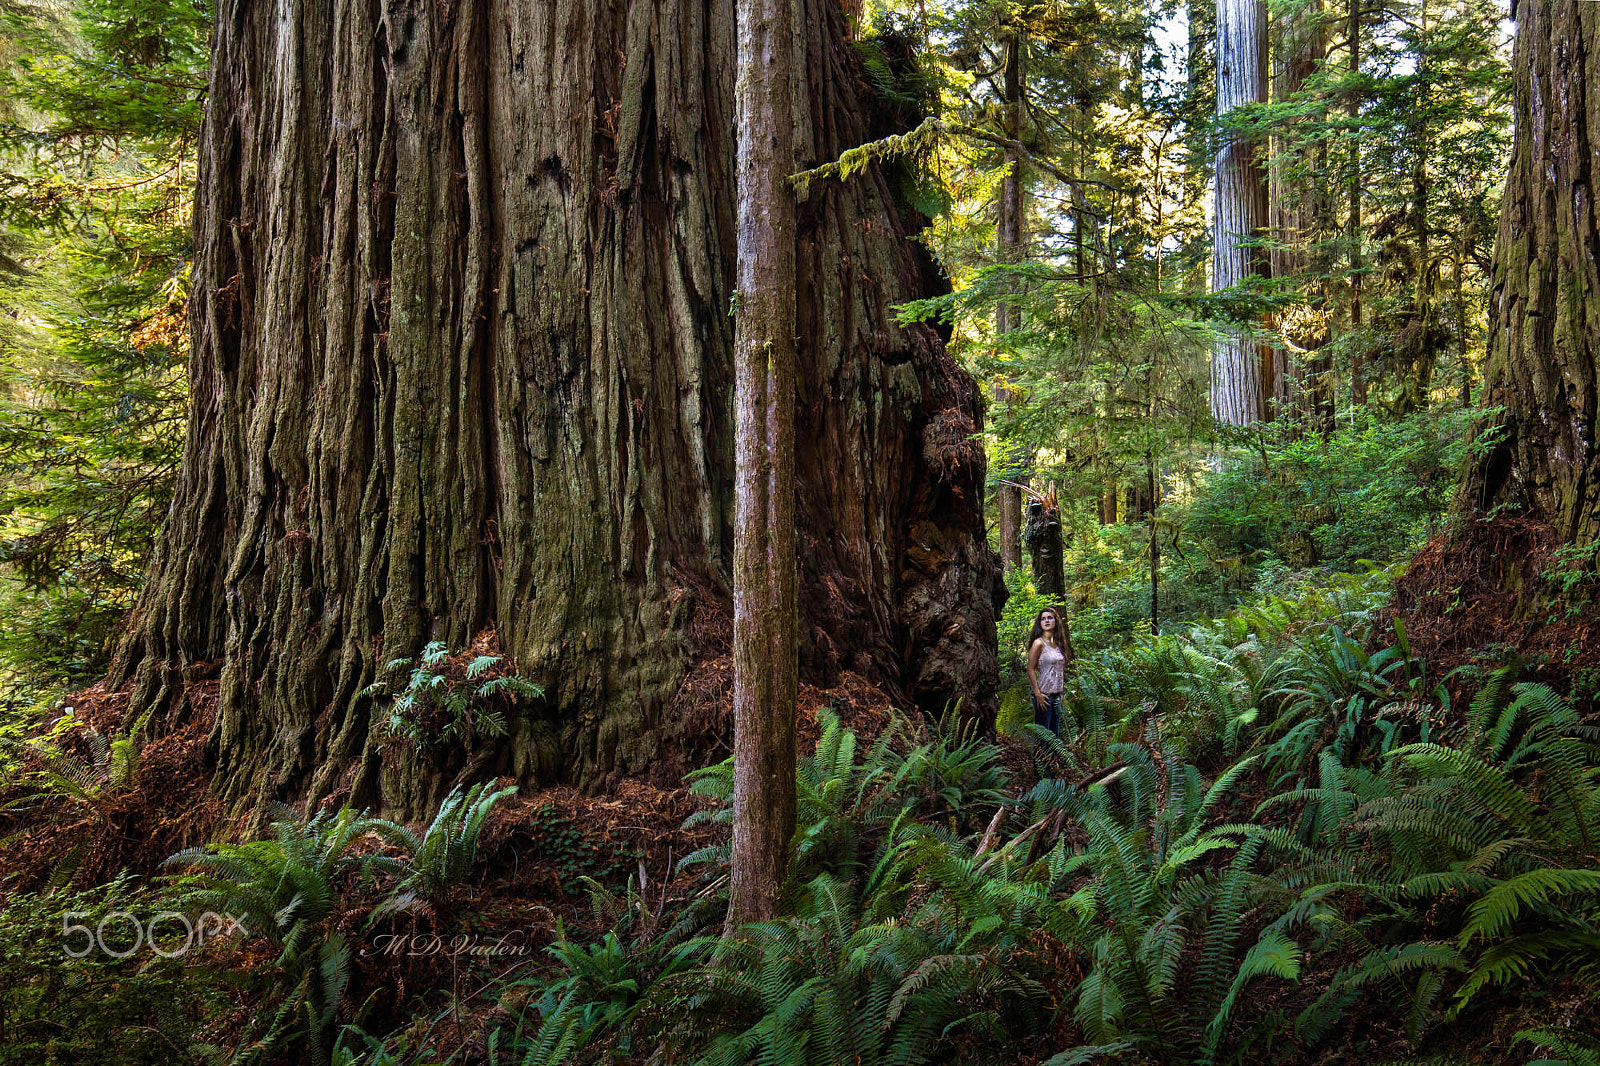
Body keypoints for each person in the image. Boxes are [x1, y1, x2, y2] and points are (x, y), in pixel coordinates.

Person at [1026, 606, 1072, 737]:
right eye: (1043, 619)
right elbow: (1030, 668)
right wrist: (1037, 693)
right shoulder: (1038, 643)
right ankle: (1039, 758)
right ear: (1039, 623)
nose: (1046, 621)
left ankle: (1052, 759)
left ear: (1055, 621)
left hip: (1057, 695)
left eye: (1050, 618)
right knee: (1043, 736)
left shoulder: (1058, 644)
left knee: (1054, 736)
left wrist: (1061, 693)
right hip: (1043, 695)